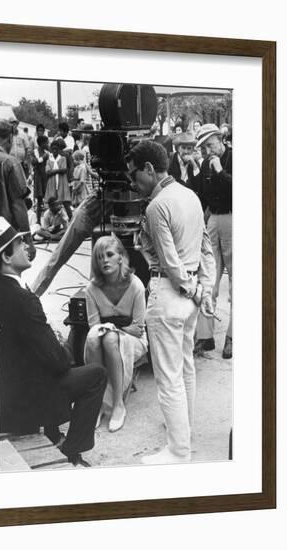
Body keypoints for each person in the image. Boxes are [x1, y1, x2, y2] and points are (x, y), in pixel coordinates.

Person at [0, 217, 107, 467]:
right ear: (5, 258)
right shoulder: (22, 299)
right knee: (95, 375)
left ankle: (53, 433)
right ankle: (72, 449)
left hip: (1, 391)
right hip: (22, 404)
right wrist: (61, 346)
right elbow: (58, 362)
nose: (28, 247)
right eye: (20, 244)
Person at [125, 140, 215, 464]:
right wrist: (203, 290)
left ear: (149, 169)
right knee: (185, 367)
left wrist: (191, 288)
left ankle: (178, 449)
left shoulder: (156, 206)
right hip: (189, 296)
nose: (134, 184)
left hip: (169, 293)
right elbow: (205, 250)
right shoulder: (189, 195)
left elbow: (170, 263)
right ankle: (183, 433)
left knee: (168, 376)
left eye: (135, 176)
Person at [84, 236, 148, 432]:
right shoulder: (91, 289)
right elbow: (94, 327)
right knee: (96, 339)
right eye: (99, 257)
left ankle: (118, 404)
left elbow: (138, 329)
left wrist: (112, 329)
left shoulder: (135, 285)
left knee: (110, 338)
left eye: (109, 255)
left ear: (121, 257)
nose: (104, 260)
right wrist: (111, 330)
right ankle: (98, 404)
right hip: (103, 338)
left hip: (134, 340)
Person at [194, 123, 233, 359]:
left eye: (211, 144)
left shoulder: (234, 157)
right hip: (213, 219)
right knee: (208, 277)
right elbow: (201, 194)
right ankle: (205, 336)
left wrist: (220, 172)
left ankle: (232, 336)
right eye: (205, 147)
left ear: (221, 139)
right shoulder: (207, 162)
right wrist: (195, 170)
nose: (209, 150)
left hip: (233, 216)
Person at [0, 119, 36, 260]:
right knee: (6, 278)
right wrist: (29, 240)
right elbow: (18, 204)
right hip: (4, 237)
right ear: (9, 138)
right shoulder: (10, 162)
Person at [45, 138, 73, 220]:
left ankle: (71, 219)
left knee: (65, 202)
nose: (54, 151)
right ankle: (54, 221)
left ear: (59, 149)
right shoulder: (49, 160)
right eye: (53, 149)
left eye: (56, 149)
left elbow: (64, 169)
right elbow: (47, 172)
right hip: (52, 183)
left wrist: (53, 171)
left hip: (61, 182)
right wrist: (58, 170)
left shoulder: (63, 158)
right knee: (53, 203)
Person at [168, 132, 201, 196]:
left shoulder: (195, 162)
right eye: (183, 148)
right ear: (177, 148)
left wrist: (194, 165)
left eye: (189, 148)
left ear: (192, 150)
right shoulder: (170, 162)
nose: (186, 151)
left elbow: (199, 184)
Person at [31, 135, 50, 224]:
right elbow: (34, 162)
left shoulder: (47, 152)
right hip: (38, 177)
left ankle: (49, 221)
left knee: (49, 199)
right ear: (42, 143)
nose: (47, 144)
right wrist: (43, 158)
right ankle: (38, 221)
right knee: (39, 200)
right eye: (46, 143)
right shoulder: (35, 152)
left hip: (46, 177)